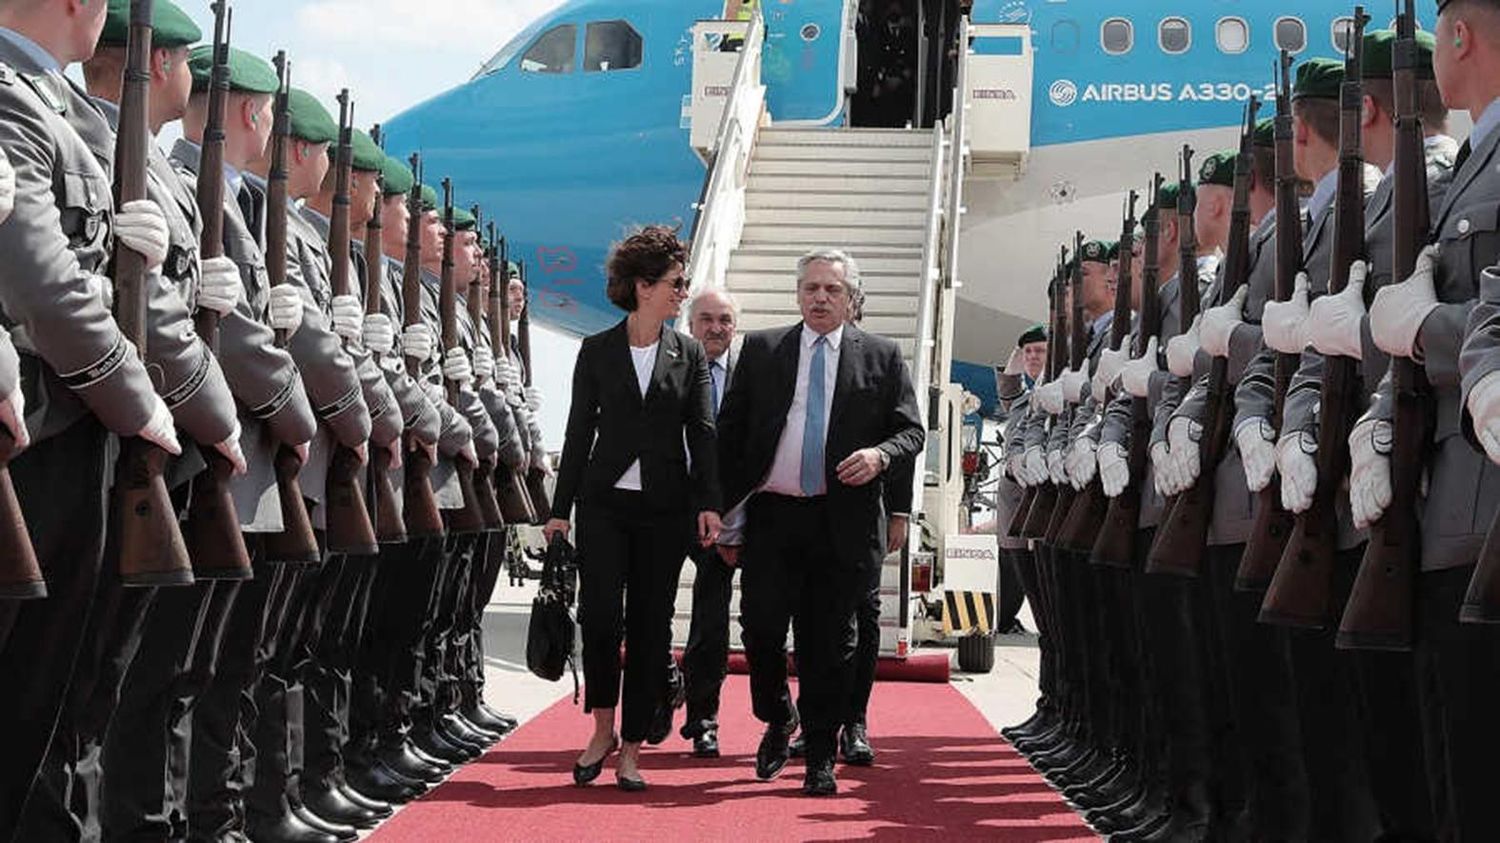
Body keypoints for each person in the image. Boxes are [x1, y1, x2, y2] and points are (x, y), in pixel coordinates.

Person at [715, 248, 923, 797]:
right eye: (811, 288)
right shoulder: (761, 350)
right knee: (759, 628)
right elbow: (729, 436)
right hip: (774, 515)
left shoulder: (881, 355)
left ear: (852, 298)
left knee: (828, 645)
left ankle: (820, 758)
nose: (820, 298)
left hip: (841, 520)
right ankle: (778, 716)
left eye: (832, 289)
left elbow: (912, 432)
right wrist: (718, 507)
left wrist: (880, 456)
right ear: (797, 295)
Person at [544, 225, 722, 791]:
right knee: (600, 617)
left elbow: (704, 432)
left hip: (665, 510)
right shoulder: (596, 351)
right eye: (675, 282)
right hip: (604, 505)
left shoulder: (688, 352)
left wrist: (708, 504)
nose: (682, 292)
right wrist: (559, 508)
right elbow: (577, 433)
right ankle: (601, 727)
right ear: (644, 286)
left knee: (651, 625)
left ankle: (633, 748)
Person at [679, 286, 739, 759]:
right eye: (706, 320)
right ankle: (657, 698)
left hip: (730, 516)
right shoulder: (668, 365)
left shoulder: (752, 376)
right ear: (689, 323)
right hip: (670, 508)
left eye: (725, 320)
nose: (716, 329)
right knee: (648, 615)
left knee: (711, 622)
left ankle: (704, 717)